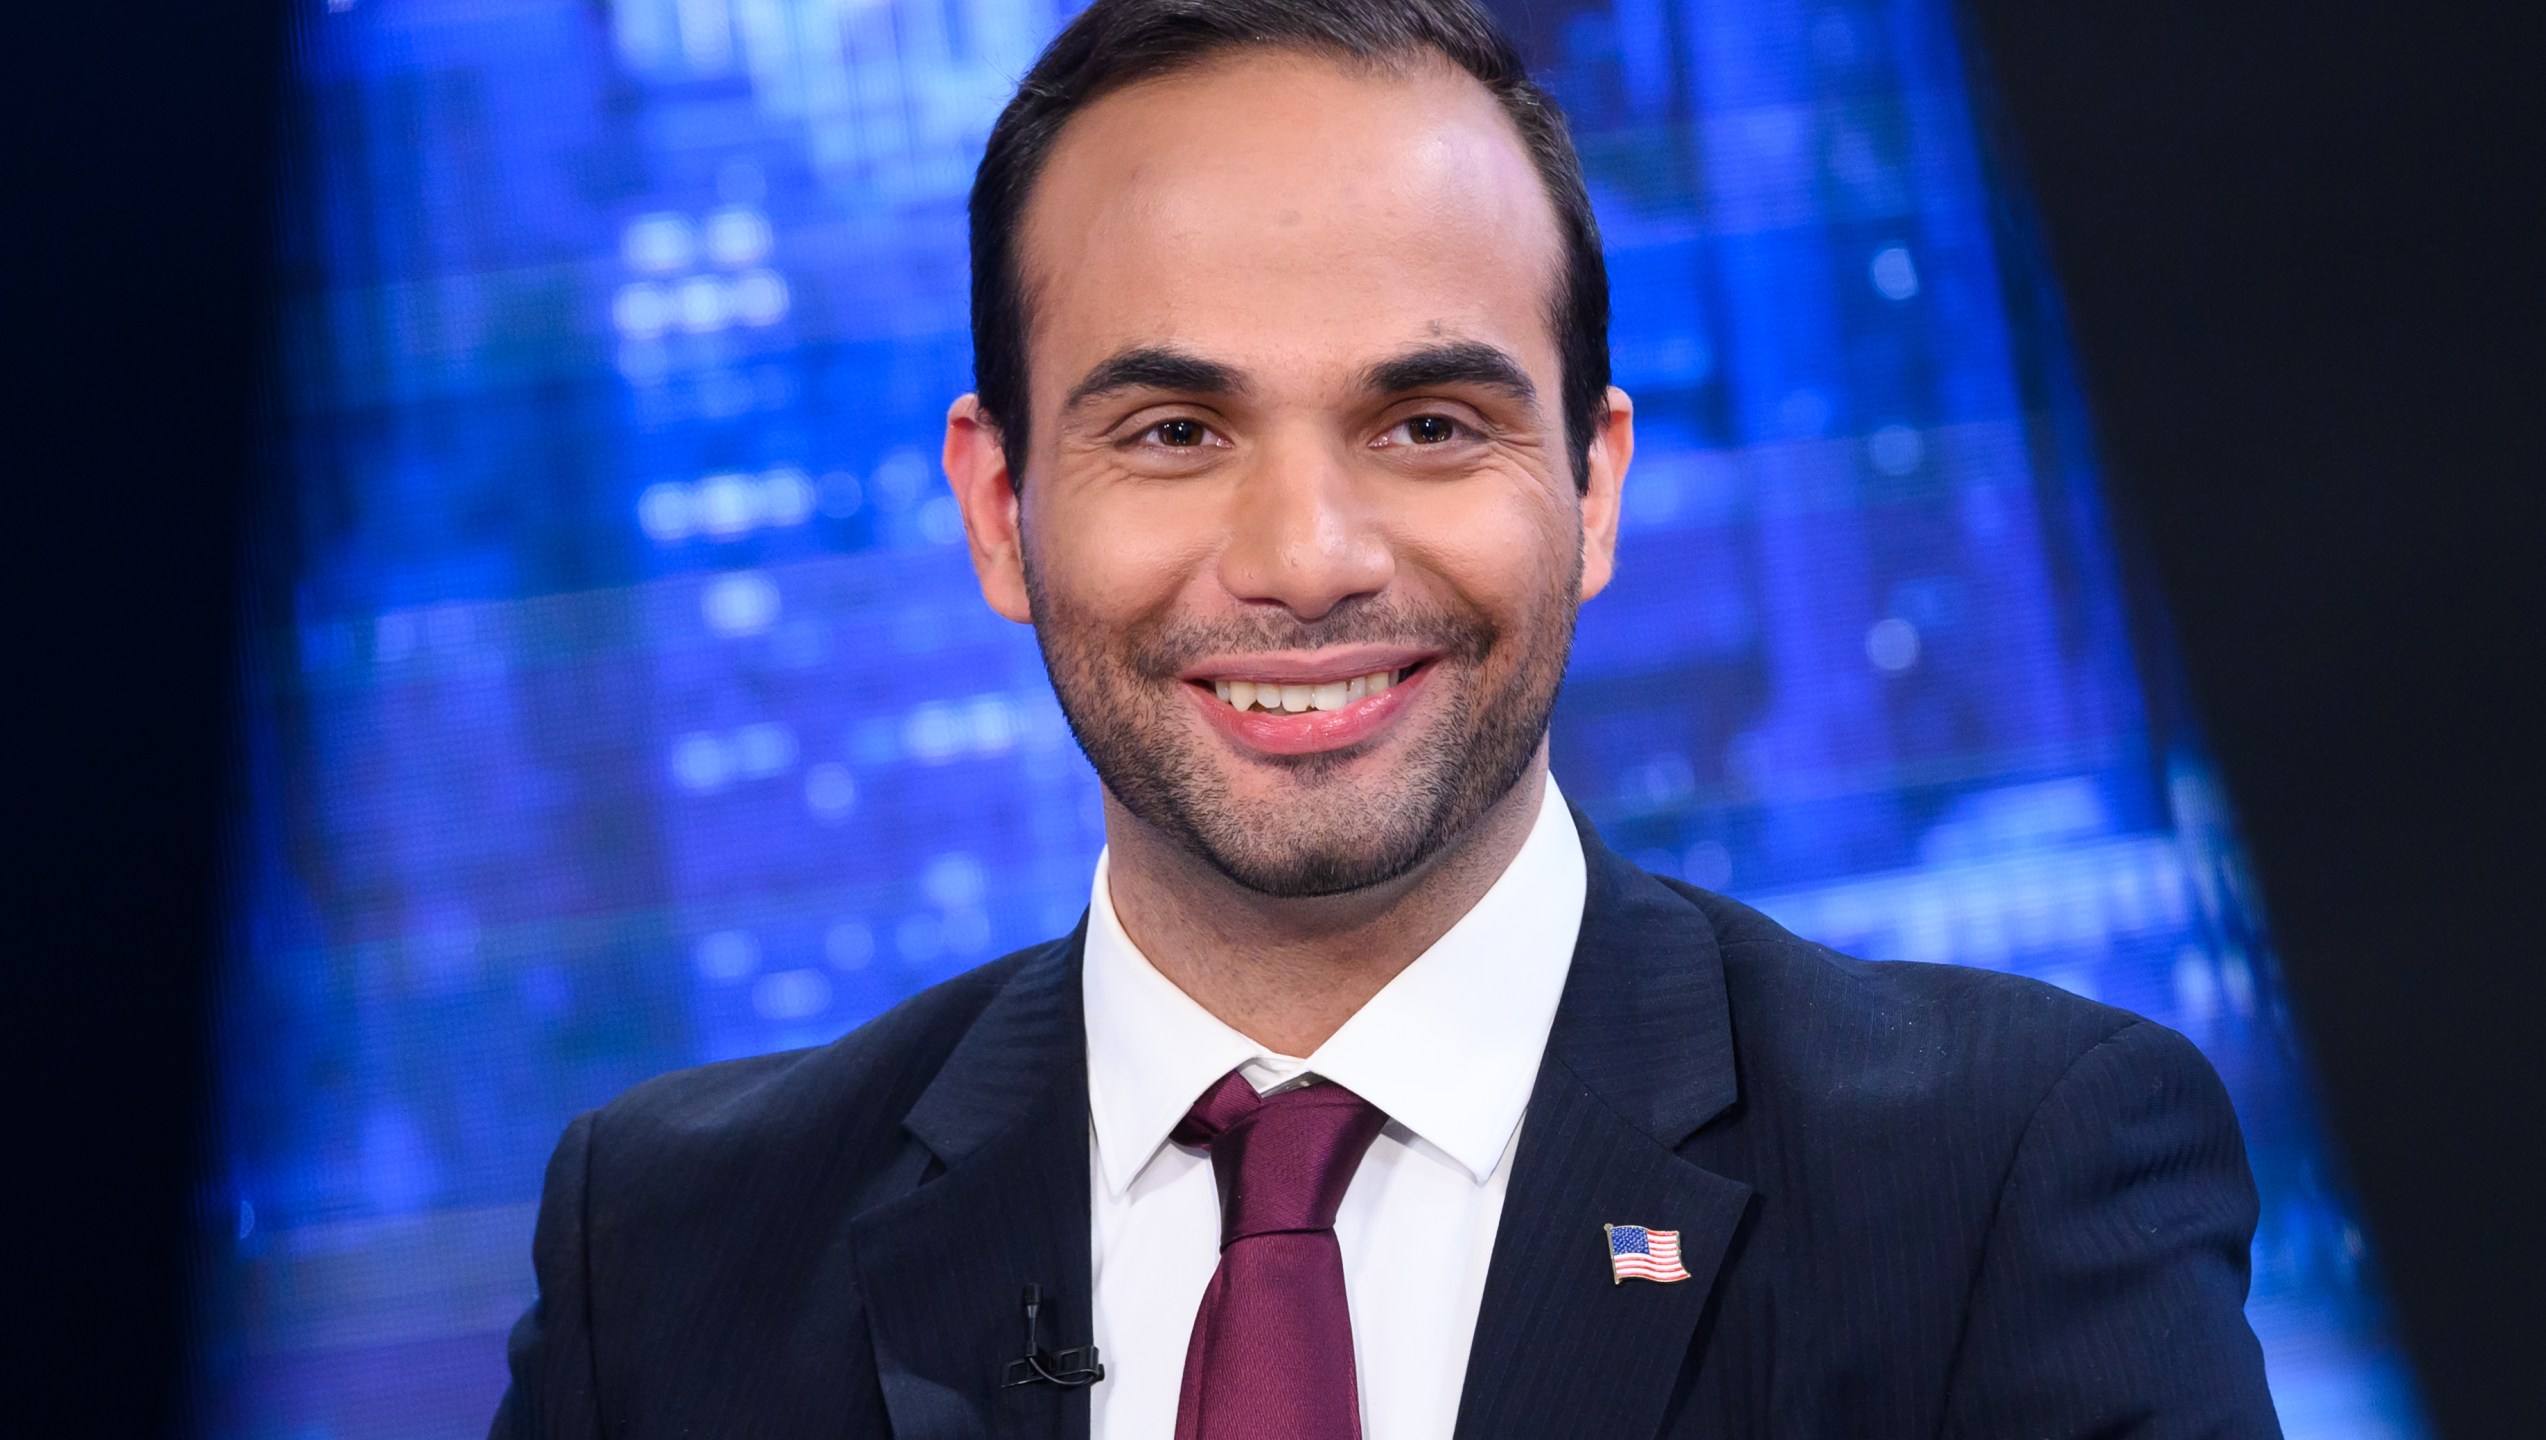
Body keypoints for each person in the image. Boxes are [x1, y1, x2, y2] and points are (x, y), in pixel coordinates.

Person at [491, 0, 2280, 1435]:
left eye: (1426, 423)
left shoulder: (1999, 1181)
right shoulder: (666, 1256)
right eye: (1175, 432)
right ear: (998, 510)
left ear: (1591, 490)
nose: (1306, 559)